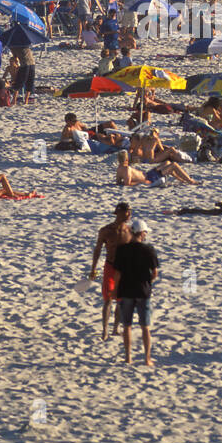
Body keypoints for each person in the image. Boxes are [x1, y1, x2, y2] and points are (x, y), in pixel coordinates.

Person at [112, 218, 159, 366]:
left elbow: (117, 274)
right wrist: (148, 283)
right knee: (145, 326)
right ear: (142, 233)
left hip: (126, 290)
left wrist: (115, 290)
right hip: (142, 291)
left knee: (127, 326)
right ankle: (147, 358)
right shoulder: (148, 249)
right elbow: (155, 273)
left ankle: (128, 357)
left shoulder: (122, 250)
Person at [90, 203, 132, 340]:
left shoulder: (130, 231)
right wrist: (93, 269)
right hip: (110, 267)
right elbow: (97, 250)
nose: (129, 215)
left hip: (124, 269)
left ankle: (115, 328)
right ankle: (105, 330)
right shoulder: (105, 230)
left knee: (120, 301)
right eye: (127, 212)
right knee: (108, 300)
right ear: (119, 213)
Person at [115, 149, 196, 186]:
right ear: (126, 159)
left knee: (167, 162)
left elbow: (118, 182)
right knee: (173, 165)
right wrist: (142, 182)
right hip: (150, 179)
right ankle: (190, 181)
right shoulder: (127, 169)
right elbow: (127, 183)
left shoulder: (119, 169)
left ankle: (182, 180)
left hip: (149, 174)